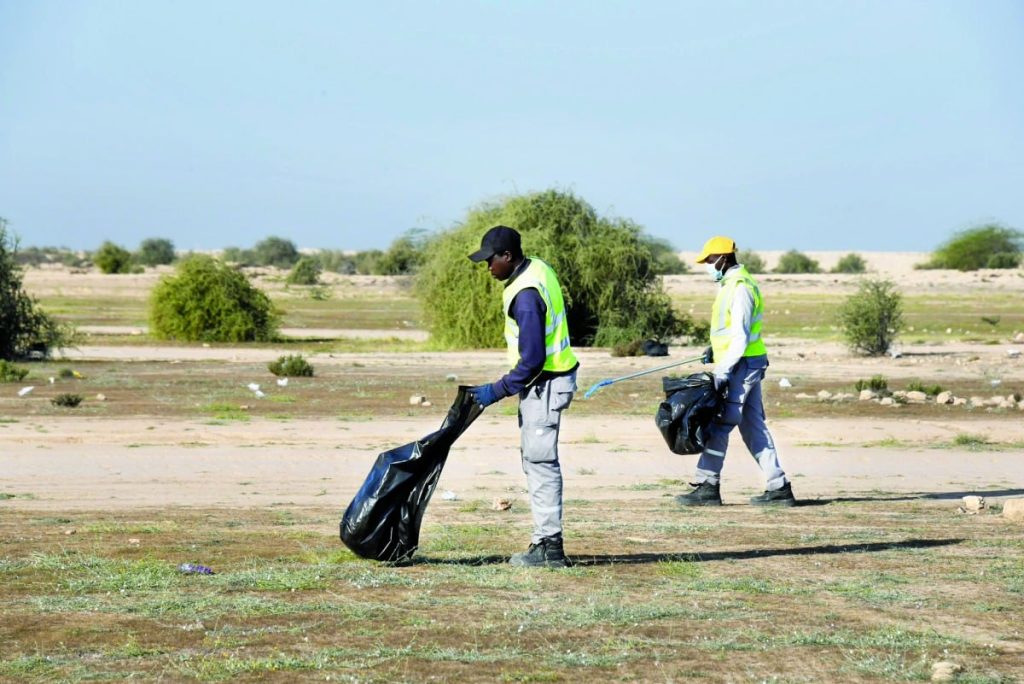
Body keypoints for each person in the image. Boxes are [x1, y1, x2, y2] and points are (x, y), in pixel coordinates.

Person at [466, 225, 580, 567]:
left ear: (507, 256)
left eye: (490, 261)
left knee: (540, 462)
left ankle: (549, 546)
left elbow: (532, 359)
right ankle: (544, 540)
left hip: (545, 385)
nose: (488, 268)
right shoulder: (537, 268)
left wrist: (497, 390)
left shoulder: (525, 295)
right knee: (535, 458)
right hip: (545, 382)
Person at [677, 236, 796, 507]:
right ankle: (778, 486)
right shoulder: (731, 284)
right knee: (753, 426)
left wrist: (722, 370)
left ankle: (707, 485)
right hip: (746, 363)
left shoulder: (740, 287)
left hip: (741, 366)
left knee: (720, 422)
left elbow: (740, 337)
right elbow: (729, 332)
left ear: (723, 258)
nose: (708, 265)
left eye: (709, 260)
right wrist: (714, 348)